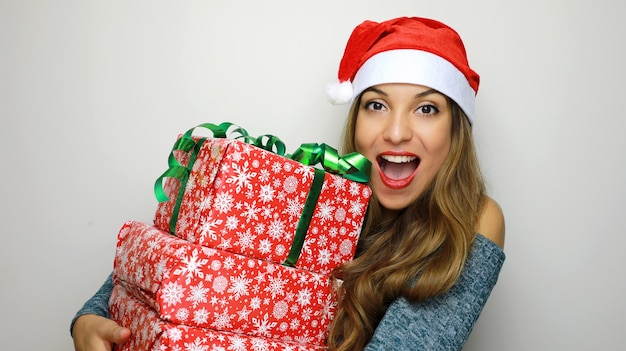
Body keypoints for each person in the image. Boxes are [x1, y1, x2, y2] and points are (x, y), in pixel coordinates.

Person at [71, 16, 505, 351]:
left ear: (455, 130)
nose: (394, 132)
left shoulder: (474, 219)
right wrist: (88, 319)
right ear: (356, 122)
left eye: (426, 109)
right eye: (376, 105)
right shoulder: (319, 199)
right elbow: (175, 265)